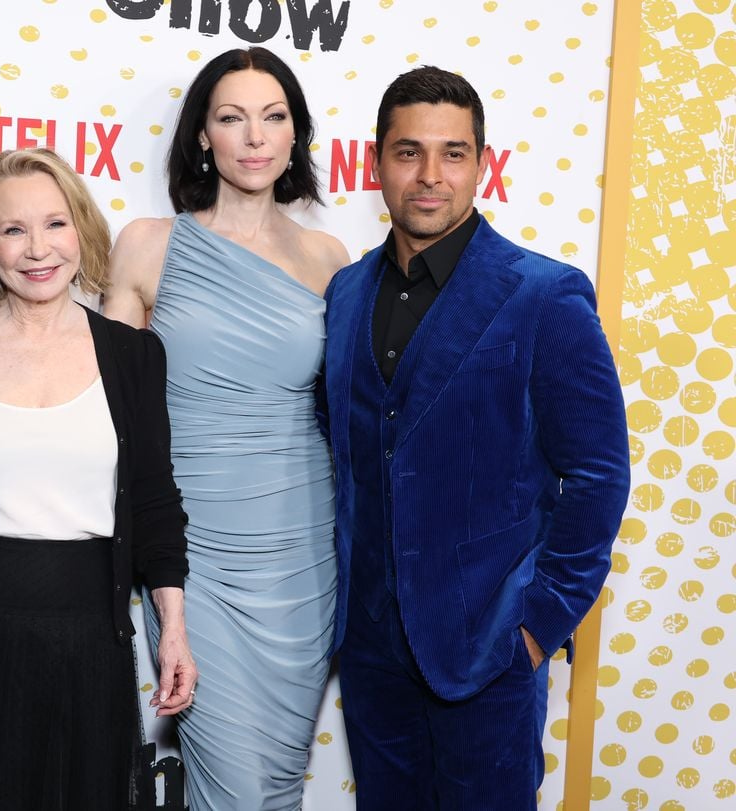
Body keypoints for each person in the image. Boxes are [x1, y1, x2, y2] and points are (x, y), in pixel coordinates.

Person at [322, 66, 630, 808]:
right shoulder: (346, 291)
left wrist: (533, 628)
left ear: (482, 164)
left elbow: (597, 474)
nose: (430, 176)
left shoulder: (542, 295)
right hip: (370, 651)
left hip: (488, 650)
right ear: (375, 164)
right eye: (408, 152)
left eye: (453, 153)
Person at [0, 148, 198, 810]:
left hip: (87, 641)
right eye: (13, 230)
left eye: (54, 224)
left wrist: (174, 627)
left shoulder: (136, 354)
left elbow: (158, 505)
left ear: (80, 229)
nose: (36, 249)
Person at [104, 47, 350, 810]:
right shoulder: (149, 244)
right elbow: (93, 383)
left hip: (303, 550)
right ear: (202, 135)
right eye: (232, 117)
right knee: (234, 784)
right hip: (193, 550)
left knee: (275, 781)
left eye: (274, 117)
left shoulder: (330, 258)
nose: (255, 136)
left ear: (295, 135)